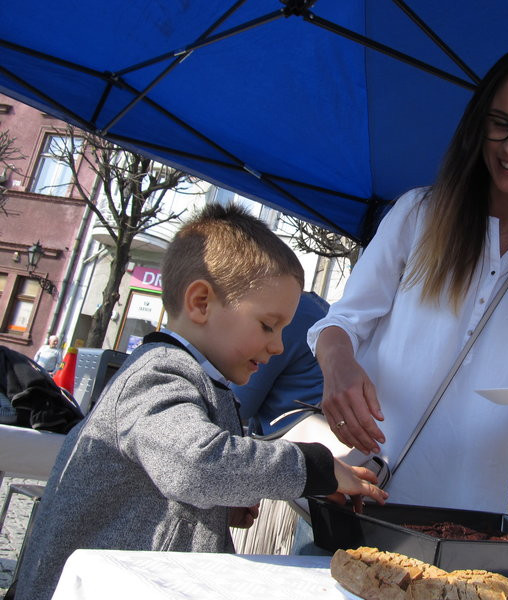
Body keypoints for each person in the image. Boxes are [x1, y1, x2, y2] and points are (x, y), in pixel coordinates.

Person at [308, 42, 508, 514]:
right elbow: (344, 321)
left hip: (470, 509)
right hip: (364, 491)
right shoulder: (419, 214)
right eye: (500, 123)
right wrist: (338, 365)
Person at [14, 203, 387, 600]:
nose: (278, 346)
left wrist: (219, 505)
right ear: (200, 303)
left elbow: (168, 479)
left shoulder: (195, 380)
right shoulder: (158, 374)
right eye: (267, 325)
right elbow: (193, 463)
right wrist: (314, 466)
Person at [233, 291, 329, 437]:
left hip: (290, 442)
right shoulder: (316, 307)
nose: (277, 347)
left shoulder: (289, 310)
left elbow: (238, 405)